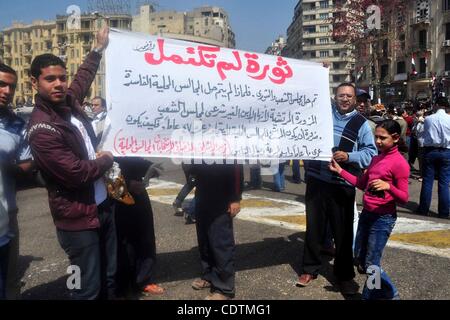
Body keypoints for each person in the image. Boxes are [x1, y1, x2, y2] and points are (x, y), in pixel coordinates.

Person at [27, 27, 117, 300]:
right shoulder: (41, 129)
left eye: (62, 78)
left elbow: (83, 78)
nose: (59, 84)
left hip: (102, 206)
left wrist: (98, 50)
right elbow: (77, 173)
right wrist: (108, 159)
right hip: (77, 221)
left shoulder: (68, 101)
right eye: (50, 79)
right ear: (34, 83)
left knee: (109, 276)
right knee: (83, 287)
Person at [298, 83, 377, 295]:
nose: (345, 99)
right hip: (316, 180)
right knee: (313, 227)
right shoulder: (322, 115)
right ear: (334, 96)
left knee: (343, 234)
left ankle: (344, 276)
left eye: (349, 96)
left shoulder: (362, 124)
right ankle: (309, 269)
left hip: (342, 184)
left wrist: (349, 156)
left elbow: (371, 153)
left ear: (355, 100)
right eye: (341, 95)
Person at [329, 119, 409, 299]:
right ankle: (386, 292)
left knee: (372, 263)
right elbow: (362, 184)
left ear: (395, 138)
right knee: (361, 259)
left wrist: (389, 187)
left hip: (383, 219)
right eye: (376, 137)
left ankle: (376, 295)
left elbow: (404, 198)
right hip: (367, 215)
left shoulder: (399, 163)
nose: (378, 141)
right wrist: (340, 171)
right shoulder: (376, 158)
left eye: (383, 138)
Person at [0, 63, 33, 299]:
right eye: (1, 84)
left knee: (9, 282)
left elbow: (25, 166)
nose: (7, 91)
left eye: (11, 86)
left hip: (6, 215)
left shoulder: (17, 125)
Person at [189, 162, 243, 300]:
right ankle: (208, 275)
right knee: (204, 239)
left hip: (222, 194)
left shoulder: (227, 142)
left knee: (221, 241)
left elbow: (236, 168)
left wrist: (235, 197)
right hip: (202, 192)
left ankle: (224, 288)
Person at [114, 157, 164, 298]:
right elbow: (103, 168)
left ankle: (144, 279)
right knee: (122, 243)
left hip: (139, 193)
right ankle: (123, 285)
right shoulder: (102, 140)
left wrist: (150, 167)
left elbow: (134, 159)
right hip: (117, 195)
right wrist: (127, 185)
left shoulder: (128, 139)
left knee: (146, 236)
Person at [417, 97, 450, 219]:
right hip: (446, 151)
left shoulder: (428, 119)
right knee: (444, 183)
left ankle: (423, 209)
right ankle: (444, 212)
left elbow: (422, 134)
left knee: (427, 181)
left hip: (430, 151)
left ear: (436, 105)